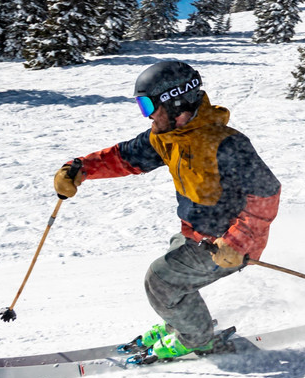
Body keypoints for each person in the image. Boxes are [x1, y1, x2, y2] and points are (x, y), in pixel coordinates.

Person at [53, 60, 281, 361]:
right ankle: (184, 323)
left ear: (175, 103)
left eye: (148, 105)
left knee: (161, 281)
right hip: (196, 233)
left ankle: (197, 339)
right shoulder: (168, 137)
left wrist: (237, 242)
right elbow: (125, 157)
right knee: (173, 277)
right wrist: (80, 169)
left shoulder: (226, 144)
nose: (147, 115)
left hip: (228, 245)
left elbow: (267, 193)